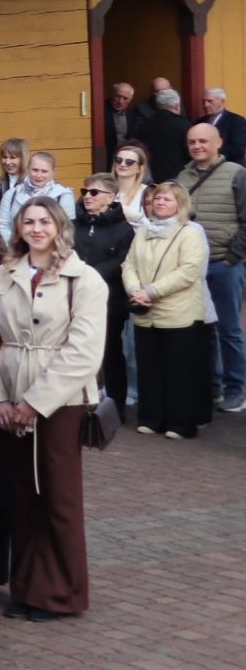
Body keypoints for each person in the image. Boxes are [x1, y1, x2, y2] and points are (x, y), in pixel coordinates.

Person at [0, 198, 106, 623]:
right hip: (10, 393)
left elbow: (83, 352)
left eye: (45, 221)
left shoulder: (84, 279)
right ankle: (27, 588)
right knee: (23, 496)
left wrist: (35, 403)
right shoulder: (2, 276)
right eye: (29, 222)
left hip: (61, 402)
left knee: (57, 494)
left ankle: (61, 593)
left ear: (59, 226)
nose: (37, 229)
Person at [125, 183, 212, 440]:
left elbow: (189, 270)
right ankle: (151, 418)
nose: (161, 202)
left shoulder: (190, 232)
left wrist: (151, 291)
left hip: (179, 311)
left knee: (179, 370)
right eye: (158, 198)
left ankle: (180, 423)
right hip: (145, 312)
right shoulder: (143, 231)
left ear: (180, 205)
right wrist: (135, 290)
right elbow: (129, 264)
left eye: (168, 199)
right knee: (149, 368)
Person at [174, 123, 246, 415]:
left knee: (229, 329)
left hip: (223, 264)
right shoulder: (182, 177)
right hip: (193, 268)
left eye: (203, 141)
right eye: (192, 141)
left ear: (219, 143)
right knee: (203, 329)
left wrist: (232, 257)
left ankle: (236, 388)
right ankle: (212, 385)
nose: (197, 146)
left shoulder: (237, 174)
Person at [73, 175, 135, 410]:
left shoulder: (124, 229)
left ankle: (116, 408)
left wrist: (89, 275)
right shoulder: (73, 224)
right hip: (74, 297)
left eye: (94, 192)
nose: (87, 196)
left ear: (111, 197)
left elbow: (122, 261)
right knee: (76, 351)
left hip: (109, 300)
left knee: (110, 352)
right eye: (85, 191)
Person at [138, 80, 191, 183]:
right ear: (177, 106)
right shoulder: (184, 125)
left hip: (151, 180)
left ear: (158, 105)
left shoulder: (145, 125)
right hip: (178, 179)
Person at [201, 86, 246, 167]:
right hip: (204, 168)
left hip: (230, 167)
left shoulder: (236, 121)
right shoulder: (199, 122)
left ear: (222, 101)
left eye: (210, 101)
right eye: (203, 101)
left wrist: (212, 156)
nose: (205, 105)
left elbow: (238, 148)